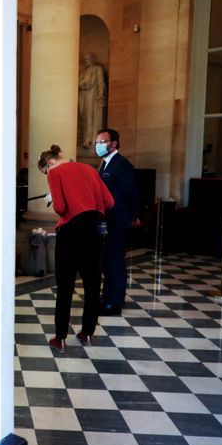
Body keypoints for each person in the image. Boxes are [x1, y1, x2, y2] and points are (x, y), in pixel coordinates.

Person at [38, 144, 114, 349]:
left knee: (65, 285)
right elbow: (109, 201)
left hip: (72, 230)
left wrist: (53, 199)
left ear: (49, 163)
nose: (48, 173)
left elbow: (61, 207)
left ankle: (60, 337)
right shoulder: (89, 169)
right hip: (96, 228)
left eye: (46, 170)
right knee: (92, 284)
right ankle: (87, 333)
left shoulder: (55, 172)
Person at [95, 128, 140, 316]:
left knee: (115, 261)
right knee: (107, 261)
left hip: (118, 220)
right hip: (108, 220)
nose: (98, 145)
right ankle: (107, 296)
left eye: (102, 142)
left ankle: (115, 302)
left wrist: (134, 216)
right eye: (97, 142)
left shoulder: (121, 164)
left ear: (113, 143)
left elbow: (131, 192)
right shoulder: (105, 164)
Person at [78, 53, 107, 149]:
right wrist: (82, 84)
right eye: (85, 59)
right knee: (83, 116)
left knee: (89, 116)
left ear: (92, 59)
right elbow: (79, 81)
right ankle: (85, 138)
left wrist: (100, 94)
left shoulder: (97, 69)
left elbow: (100, 82)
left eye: (88, 59)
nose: (87, 61)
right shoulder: (83, 71)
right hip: (83, 94)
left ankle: (89, 140)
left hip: (92, 94)